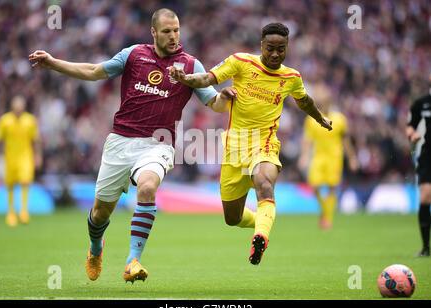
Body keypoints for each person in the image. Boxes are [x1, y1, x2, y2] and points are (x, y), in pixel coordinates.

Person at [29, 8, 235, 282]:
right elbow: (93, 71)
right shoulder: (134, 55)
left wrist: (226, 96)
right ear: (153, 32)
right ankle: (95, 247)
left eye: (176, 30)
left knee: (148, 187)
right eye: (166, 31)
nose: (173, 36)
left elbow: (214, 104)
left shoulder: (190, 66)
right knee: (101, 212)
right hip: (120, 142)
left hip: (158, 143)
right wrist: (54, 63)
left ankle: (132, 261)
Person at [168, 22, 333, 265]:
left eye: (281, 49)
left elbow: (304, 100)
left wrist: (320, 118)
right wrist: (186, 78)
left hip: (264, 143)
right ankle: (261, 220)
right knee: (232, 218)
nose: (275, 54)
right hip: (234, 148)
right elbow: (207, 78)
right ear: (261, 46)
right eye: (270, 48)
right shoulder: (240, 62)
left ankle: (261, 236)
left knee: (264, 184)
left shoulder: (291, 77)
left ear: (287, 47)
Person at [298, 83, 358, 230]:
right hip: (318, 157)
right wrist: (304, 156)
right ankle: (326, 212)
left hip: (334, 158)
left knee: (332, 188)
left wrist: (352, 158)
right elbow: (307, 140)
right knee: (314, 186)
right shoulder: (311, 119)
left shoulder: (339, 119)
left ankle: (328, 220)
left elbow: (345, 140)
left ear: (330, 102)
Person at [0, 95, 42, 227]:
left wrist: (38, 155)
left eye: (20, 105)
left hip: (26, 157)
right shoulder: (5, 120)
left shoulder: (30, 120)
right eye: (16, 105)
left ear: (24, 106)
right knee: (10, 184)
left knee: (25, 182)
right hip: (9, 157)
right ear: (12, 106)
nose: (18, 108)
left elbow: (35, 140)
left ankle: (24, 211)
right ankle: (11, 212)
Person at [406, 76, 431, 257]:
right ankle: (425, 247)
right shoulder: (421, 104)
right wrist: (412, 135)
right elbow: (410, 127)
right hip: (428, 154)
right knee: (425, 197)